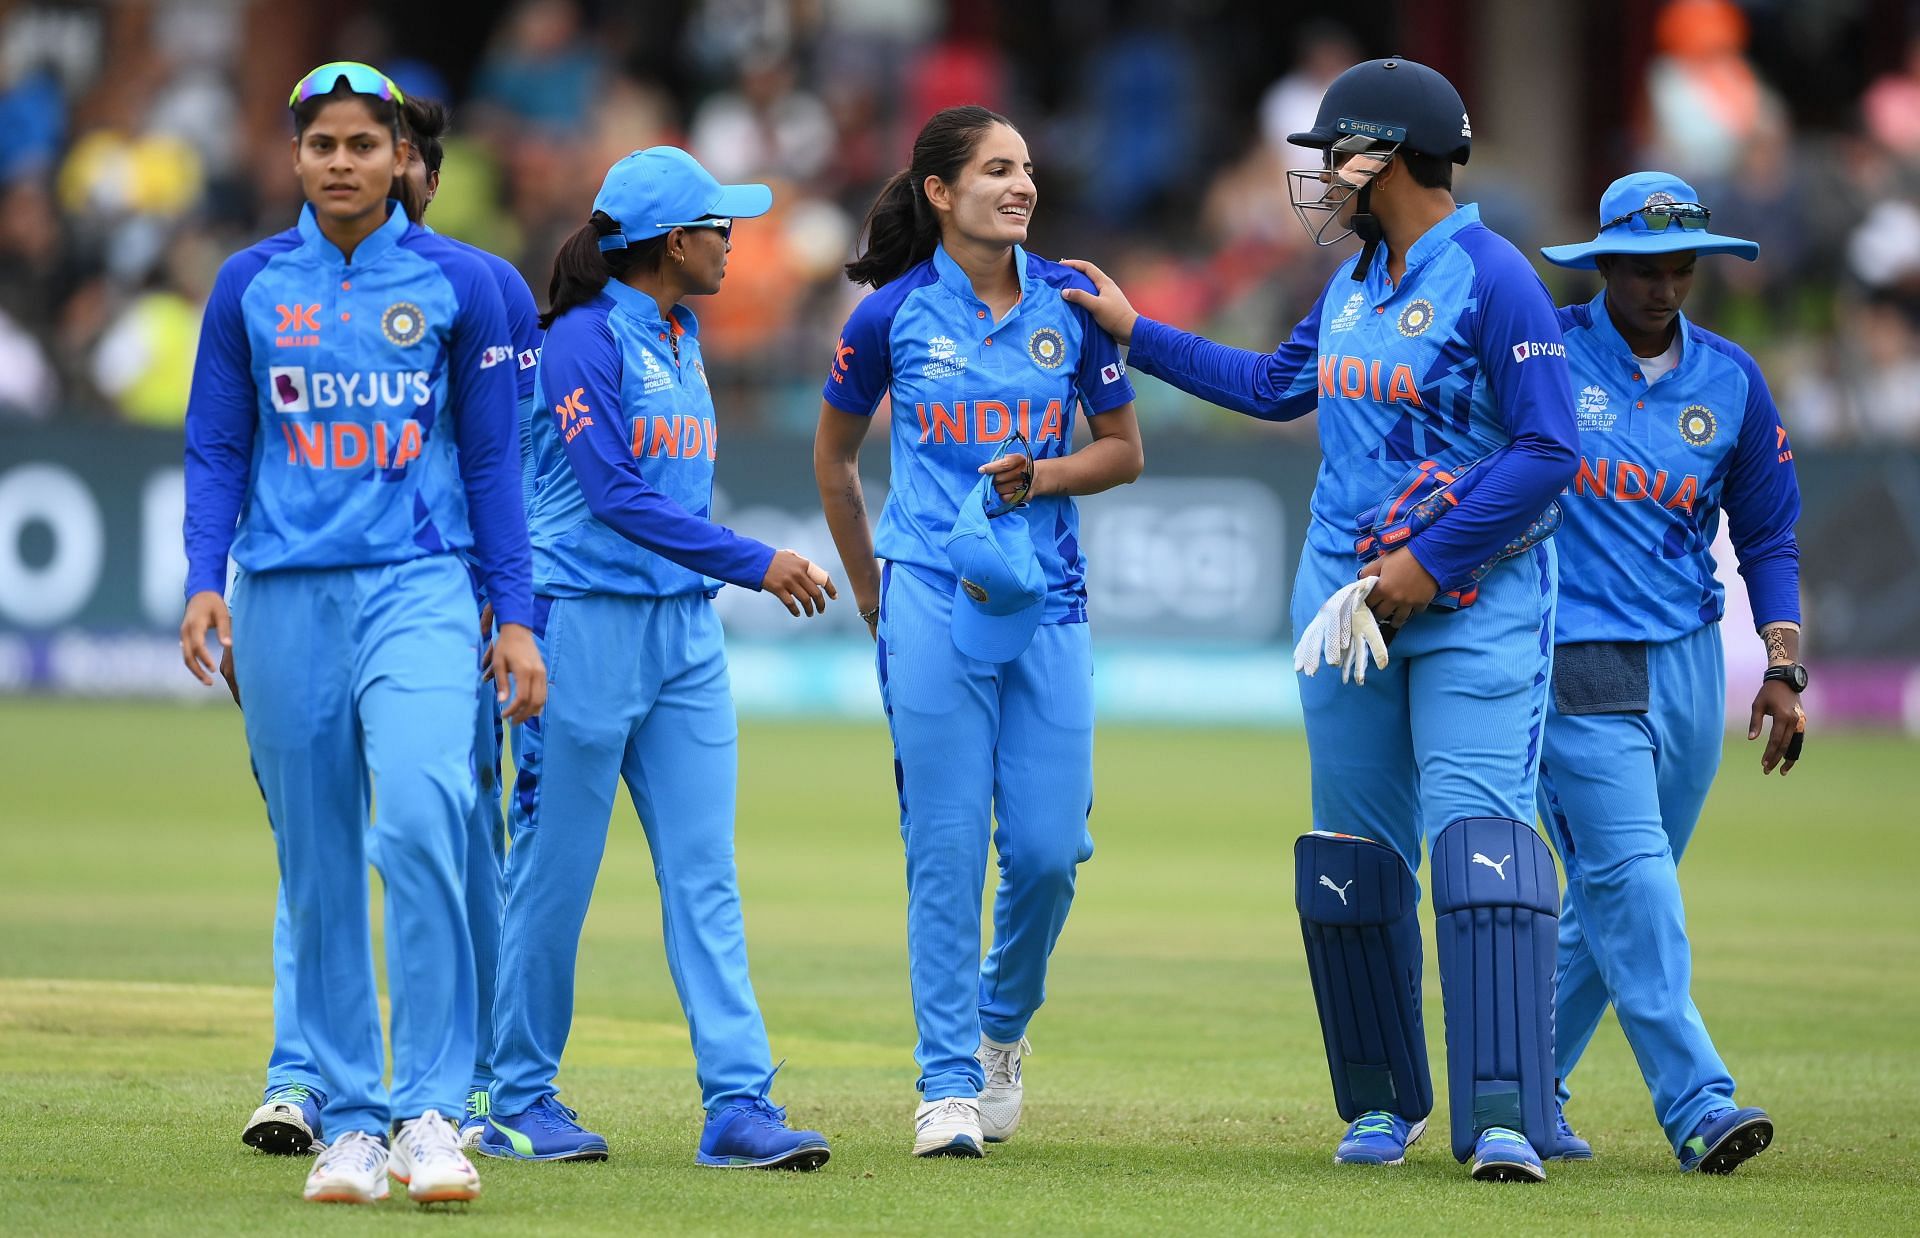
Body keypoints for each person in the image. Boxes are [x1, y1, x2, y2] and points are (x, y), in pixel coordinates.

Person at [1062, 59, 1578, 1181]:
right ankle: (1381, 1102)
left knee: (1478, 847)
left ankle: (1504, 1113)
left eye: (1330, 156)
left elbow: (1548, 450)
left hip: (1474, 603)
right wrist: (1134, 329)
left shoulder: (1496, 279)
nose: (1318, 178)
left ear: (1382, 157)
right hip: (1345, 606)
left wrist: (1429, 564)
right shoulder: (1353, 281)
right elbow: (1268, 388)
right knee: (1354, 859)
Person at [182, 62, 545, 1206]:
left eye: (362, 144)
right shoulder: (248, 283)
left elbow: (493, 463)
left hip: (420, 586)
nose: (342, 161)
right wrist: (205, 580)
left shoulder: (462, 284)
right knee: (319, 857)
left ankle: (433, 1111)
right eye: (322, 144)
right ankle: (346, 1115)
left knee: (431, 809)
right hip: (285, 592)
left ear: (403, 159)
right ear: (294, 157)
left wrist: (516, 616)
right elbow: (216, 449)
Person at [480, 146, 836, 1171]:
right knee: (555, 874)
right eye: (721, 226)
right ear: (672, 242)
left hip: (681, 634)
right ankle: (514, 1096)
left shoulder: (680, 333)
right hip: (577, 627)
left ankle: (738, 1102)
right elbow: (615, 497)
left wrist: (719, 575)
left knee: (704, 875)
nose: (735, 240)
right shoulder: (581, 343)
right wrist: (755, 560)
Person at [813, 105, 1144, 1158]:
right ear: (940, 192)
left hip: (1047, 596)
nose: (1023, 185)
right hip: (928, 600)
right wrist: (874, 593)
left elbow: (1124, 450)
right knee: (945, 847)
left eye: (1029, 169)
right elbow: (834, 460)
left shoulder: (1074, 307)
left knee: (1049, 850)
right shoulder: (888, 317)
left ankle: (1002, 1031)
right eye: (998, 169)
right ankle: (947, 1080)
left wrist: (1041, 474)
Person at [1536, 170, 1799, 1174]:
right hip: (1577, 654)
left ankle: (1518, 1085)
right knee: (1635, 881)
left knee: (1616, 895)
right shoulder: (1546, 355)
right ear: (1604, 264)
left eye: (1681, 264)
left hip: (1691, 661)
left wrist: (1784, 665)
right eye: (1643, 266)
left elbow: (1769, 529)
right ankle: (1699, 1102)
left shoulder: (1730, 378)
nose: (1663, 284)